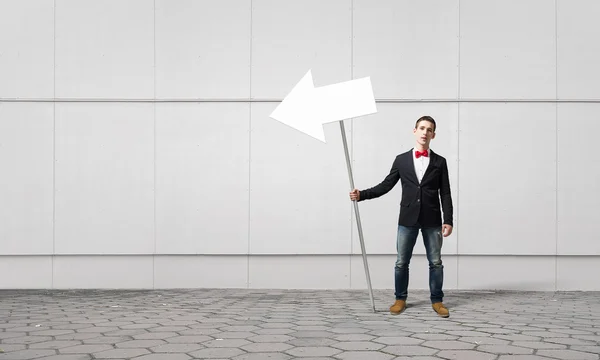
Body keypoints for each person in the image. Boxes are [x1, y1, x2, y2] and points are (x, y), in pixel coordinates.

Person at [349, 115, 453, 317]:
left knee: (436, 262)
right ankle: (400, 299)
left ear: (434, 134)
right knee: (401, 262)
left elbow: (446, 193)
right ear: (414, 131)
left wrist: (448, 219)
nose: (425, 132)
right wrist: (362, 195)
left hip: (432, 219)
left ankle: (437, 301)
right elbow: (386, 185)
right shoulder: (401, 160)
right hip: (407, 218)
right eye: (421, 128)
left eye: (429, 129)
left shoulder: (440, 162)